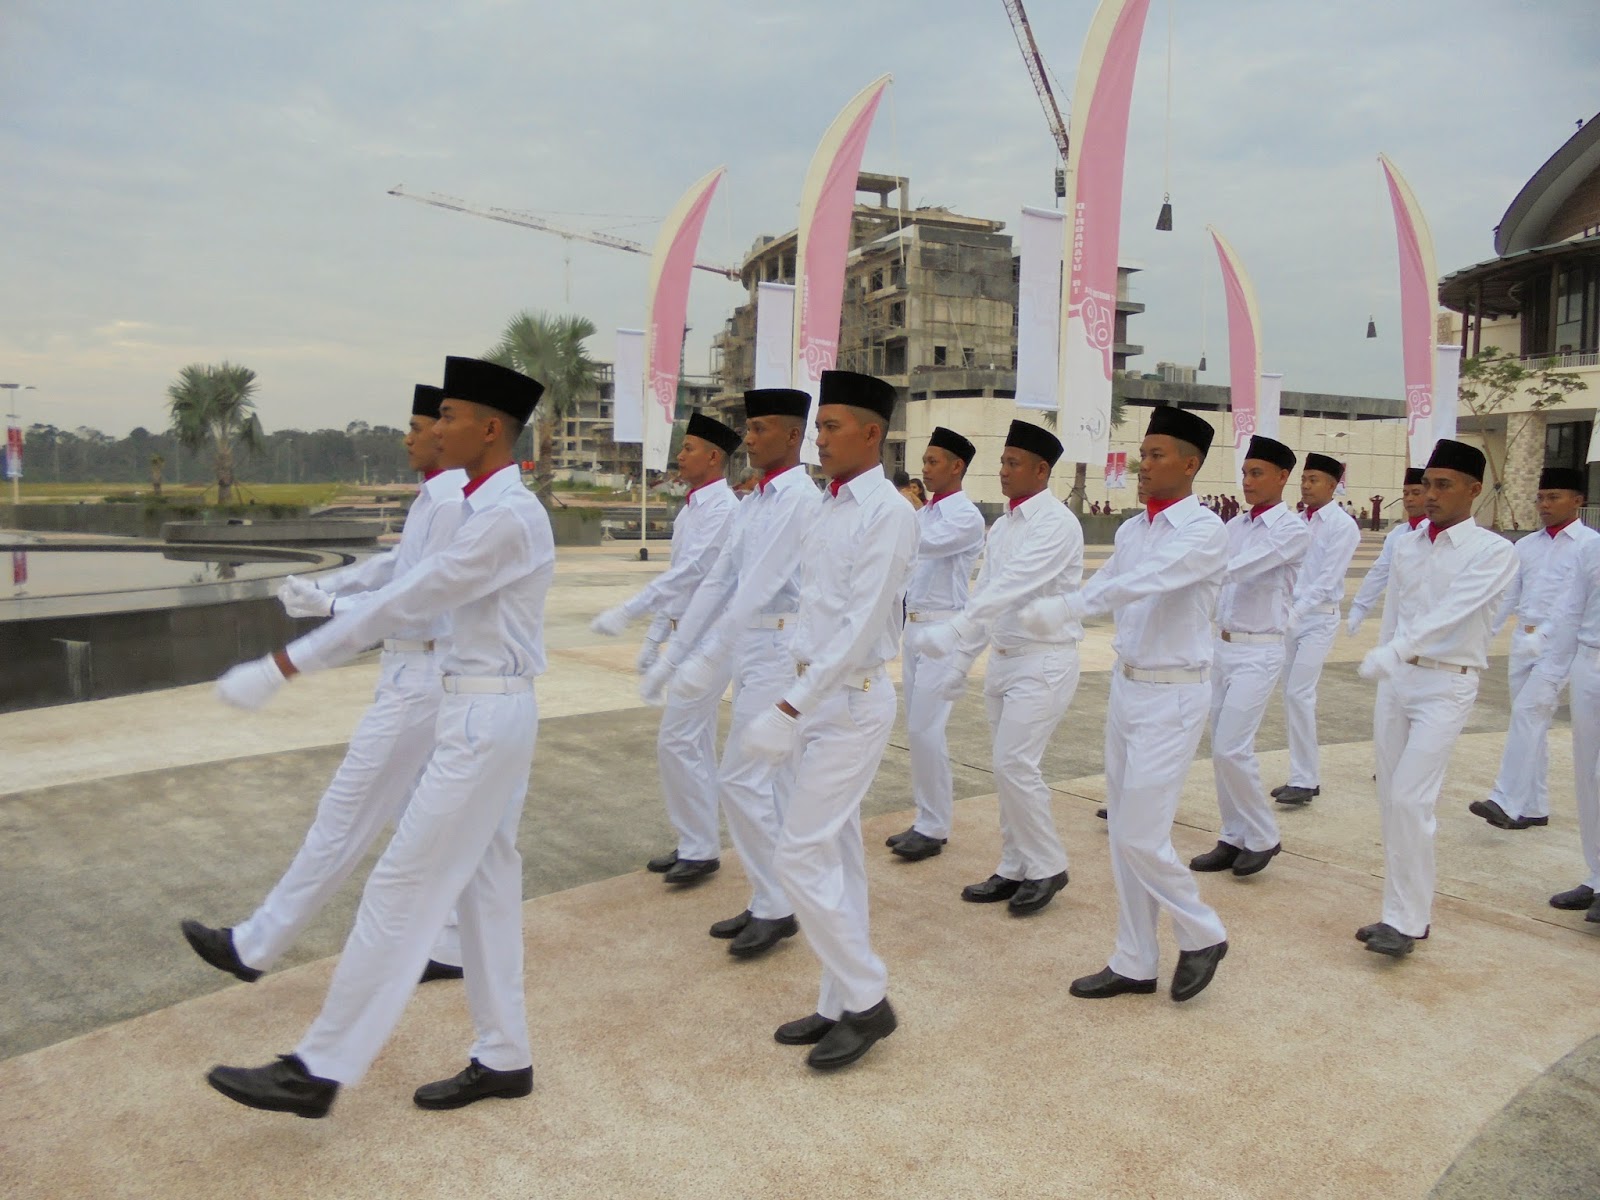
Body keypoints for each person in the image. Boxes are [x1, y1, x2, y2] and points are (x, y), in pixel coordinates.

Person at [204, 355, 552, 1117]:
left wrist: (284, 664)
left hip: (484, 717)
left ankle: (318, 1067)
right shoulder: (477, 506)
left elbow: (410, 599)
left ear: (490, 429)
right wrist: (333, 597)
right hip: (474, 710)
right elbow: (406, 578)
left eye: (449, 416)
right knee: (487, 888)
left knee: (401, 886)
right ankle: (505, 1055)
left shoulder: (508, 517)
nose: (433, 429)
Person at [180, 384, 468, 990]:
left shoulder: (450, 503)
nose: (409, 438)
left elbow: (416, 602)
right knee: (429, 821)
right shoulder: (434, 498)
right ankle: (452, 943)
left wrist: (328, 609)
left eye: (420, 427)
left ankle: (254, 946)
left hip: (422, 675)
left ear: (446, 435)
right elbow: (395, 569)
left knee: (345, 814)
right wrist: (331, 589)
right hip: (415, 671)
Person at [739, 369, 916, 1071]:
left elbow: (862, 623)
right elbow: (811, 607)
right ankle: (839, 999)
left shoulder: (888, 513)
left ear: (872, 434)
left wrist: (789, 707)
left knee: (798, 853)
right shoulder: (825, 505)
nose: (820, 438)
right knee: (837, 857)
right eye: (819, 426)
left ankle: (868, 999)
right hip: (816, 695)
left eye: (832, 427)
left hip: (851, 702)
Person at [1021, 405, 1230, 1003]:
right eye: (1143, 454)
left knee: (1140, 835)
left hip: (1175, 694)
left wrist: (1068, 609)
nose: (1144, 465)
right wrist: (1049, 608)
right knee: (1123, 838)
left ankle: (1202, 931)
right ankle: (1135, 960)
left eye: (1157, 455)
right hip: (1128, 686)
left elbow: (1147, 581)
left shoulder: (1203, 531)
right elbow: (1104, 582)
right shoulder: (1135, 530)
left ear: (1190, 465)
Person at [640, 388, 821, 958]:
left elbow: (757, 582)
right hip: (752, 645)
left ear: (792, 435)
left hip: (780, 642)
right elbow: (719, 578)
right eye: (748, 427)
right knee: (775, 781)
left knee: (742, 778)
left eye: (761, 428)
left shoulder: (799, 499)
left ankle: (777, 903)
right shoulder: (756, 501)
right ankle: (778, 895)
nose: (749, 438)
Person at [1355, 439, 1516, 957]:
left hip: (1447, 683)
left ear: (1474, 489)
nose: (1430, 494)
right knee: (1390, 800)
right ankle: (1397, 914)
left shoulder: (1493, 551)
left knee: (1411, 798)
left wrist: (1395, 649)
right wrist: (1388, 655)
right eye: (1426, 484)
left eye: (1443, 485)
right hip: (1398, 679)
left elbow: (1454, 611)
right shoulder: (1407, 544)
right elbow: (1397, 609)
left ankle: (1409, 920)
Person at [918, 420, 1083, 915]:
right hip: (1005, 659)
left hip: (1044, 660)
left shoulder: (1056, 523)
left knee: (1016, 764)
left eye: (1013, 463)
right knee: (1006, 769)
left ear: (1041, 469)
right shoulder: (1006, 524)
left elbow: (1014, 583)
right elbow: (986, 591)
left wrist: (955, 632)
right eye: (1003, 462)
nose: (1004, 471)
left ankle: (1047, 865)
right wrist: (962, 660)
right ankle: (1014, 865)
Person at [591, 413, 741, 884]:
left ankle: (699, 848)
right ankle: (697, 841)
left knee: (676, 740)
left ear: (713, 457)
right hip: (687, 634)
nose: (680, 455)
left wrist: (630, 610)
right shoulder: (690, 509)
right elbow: (678, 584)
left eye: (689, 448)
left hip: (713, 639)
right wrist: (655, 637)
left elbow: (693, 573)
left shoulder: (724, 510)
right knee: (693, 741)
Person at [1190, 435, 1309, 880]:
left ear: (1282, 477)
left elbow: (1243, 567)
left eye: (1257, 473)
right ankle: (1232, 835)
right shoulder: (1235, 526)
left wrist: (1191, 572)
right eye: (1244, 473)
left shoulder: (1292, 530)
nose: (1248, 481)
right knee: (1221, 749)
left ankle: (1262, 834)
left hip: (1260, 650)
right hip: (1222, 646)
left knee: (1232, 746)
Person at [1474, 467, 1597, 831]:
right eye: (1541, 498)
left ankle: (1505, 799)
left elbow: (1577, 605)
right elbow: (1507, 597)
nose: (1544, 505)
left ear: (1577, 500)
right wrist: (1481, 638)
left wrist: (1549, 636)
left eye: (1554, 497)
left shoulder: (1590, 545)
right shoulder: (1526, 546)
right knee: (1531, 721)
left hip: (1563, 643)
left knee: (1529, 713)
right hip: (1524, 640)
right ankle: (1534, 806)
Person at [885, 427, 986, 862]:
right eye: (924, 461)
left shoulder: (965, 516)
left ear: (956, 466)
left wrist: (887, 516)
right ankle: (927, 817)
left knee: (926, 728)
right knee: (918, 728)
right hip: (915, 628)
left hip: (945, 630)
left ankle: (933, 825)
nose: (924, 469)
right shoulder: (924, 513)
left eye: (932, 461)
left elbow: (919, 548)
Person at [1273, 453, 1360, 806]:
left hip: (1318, 618)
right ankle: (1302, 775)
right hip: (1289, 616)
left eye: (1314, 480)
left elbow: (1327, 580)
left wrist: (1297, 612)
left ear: (1333, 485)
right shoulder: (1297, 522)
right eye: (1304, 479)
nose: (1306, 486)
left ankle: (1305, 780)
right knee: (1290, 695)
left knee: (1300, 693)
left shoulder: (1342, 526)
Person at [1540, 531, 1600, 920]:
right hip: (1590, 661)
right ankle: (1596, 875)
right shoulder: (1593, 549)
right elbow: (1572, 609)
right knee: (1587, 774)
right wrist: (1551, 675)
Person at [1346, 468, 1429, 637]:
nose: (1409, 499)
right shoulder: (1398, 534)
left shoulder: (1440, 535)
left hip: (1428, 626)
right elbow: (1379, 572)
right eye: (1405, 493)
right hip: (1396, 623)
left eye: (1416, 493)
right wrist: (1359, 608)